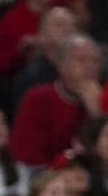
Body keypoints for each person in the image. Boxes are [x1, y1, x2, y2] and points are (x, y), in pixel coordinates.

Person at [11, 34, 101, 167]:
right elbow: (27, 156)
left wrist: (97, 115)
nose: (90, 66)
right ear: (62, 67)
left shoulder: (107, 99)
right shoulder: (37, 99)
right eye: (82, 60)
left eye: (95, 61)